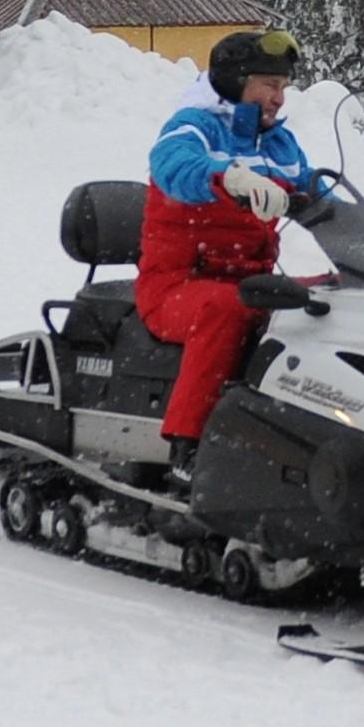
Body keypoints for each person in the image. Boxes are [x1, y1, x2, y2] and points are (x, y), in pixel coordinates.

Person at [136, 30, 314, 489]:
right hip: (176, 286)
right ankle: (188, 446)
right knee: (226, 310)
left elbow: (318, 190)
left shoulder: (277, 143)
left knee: (327, 298)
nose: (279, 97)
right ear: (236, 82)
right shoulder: (193, 126)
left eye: (283, 86)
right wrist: (227, 179)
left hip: (252, 281)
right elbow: (173, 167)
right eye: (269, 85)